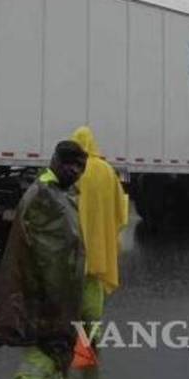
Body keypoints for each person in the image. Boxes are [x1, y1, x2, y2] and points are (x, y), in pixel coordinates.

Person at [0, 140, 89, 379]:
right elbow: (52, 265)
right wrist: (57, 314)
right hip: (45, 308)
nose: (75, 171)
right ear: (55, 161)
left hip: (51, 307)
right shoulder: (46, 196)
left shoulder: (59, 193)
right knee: (36, 374)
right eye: (70, 164)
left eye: (80, 166)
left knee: (52, 374)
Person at [69, 126, 129, 344]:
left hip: (73, 241)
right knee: (94, 287)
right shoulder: (106, 170)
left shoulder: (72, 169)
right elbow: (120, 209)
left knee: (70, 287)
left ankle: (72, 336)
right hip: (98, 242)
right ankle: (93, 336)